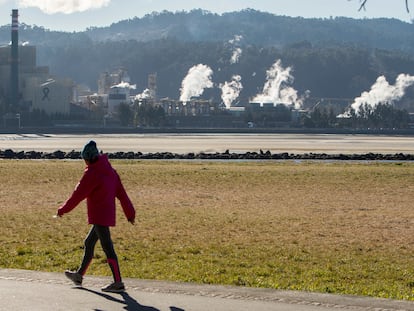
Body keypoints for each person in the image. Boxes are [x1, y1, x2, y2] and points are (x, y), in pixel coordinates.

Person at [56, 140, 135, 293]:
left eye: (84, 159)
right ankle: (79, 275)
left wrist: (62, 210)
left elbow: (77, 195)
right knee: (89, 242)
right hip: (106, 214)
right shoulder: (110, 171)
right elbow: (122, 195)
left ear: (89, 158)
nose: (84, 162)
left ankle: (118, 282)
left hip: (99, 215)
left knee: (108, 248)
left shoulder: (92, 173)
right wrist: (130, 214)